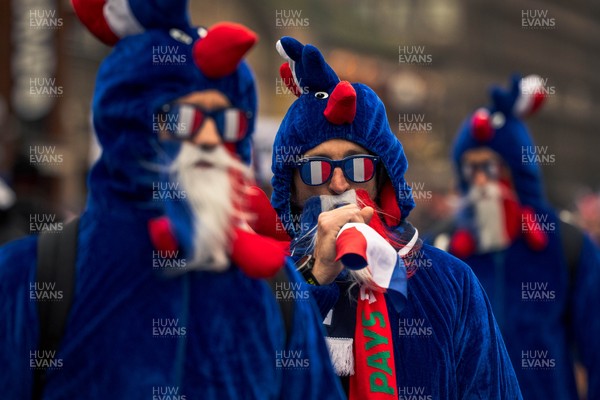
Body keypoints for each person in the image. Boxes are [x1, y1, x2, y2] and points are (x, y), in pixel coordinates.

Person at [0, 2, 344, 399]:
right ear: (132, 122)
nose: (211, 140)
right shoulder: (31, 278)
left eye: (227, 122)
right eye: (185, 119)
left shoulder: (276, 290)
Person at [268, 36, 522, 399]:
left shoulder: (449, 282)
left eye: (357, 165)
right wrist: (312, 279)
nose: (339, 183)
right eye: (316, 169)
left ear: (382, 178)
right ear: (290, 188)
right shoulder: (260, 281)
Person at [427, 74, 600, 399]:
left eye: (490, 168)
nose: (480, 181)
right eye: (470, 169)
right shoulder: (443, 246)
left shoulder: (567, 244)